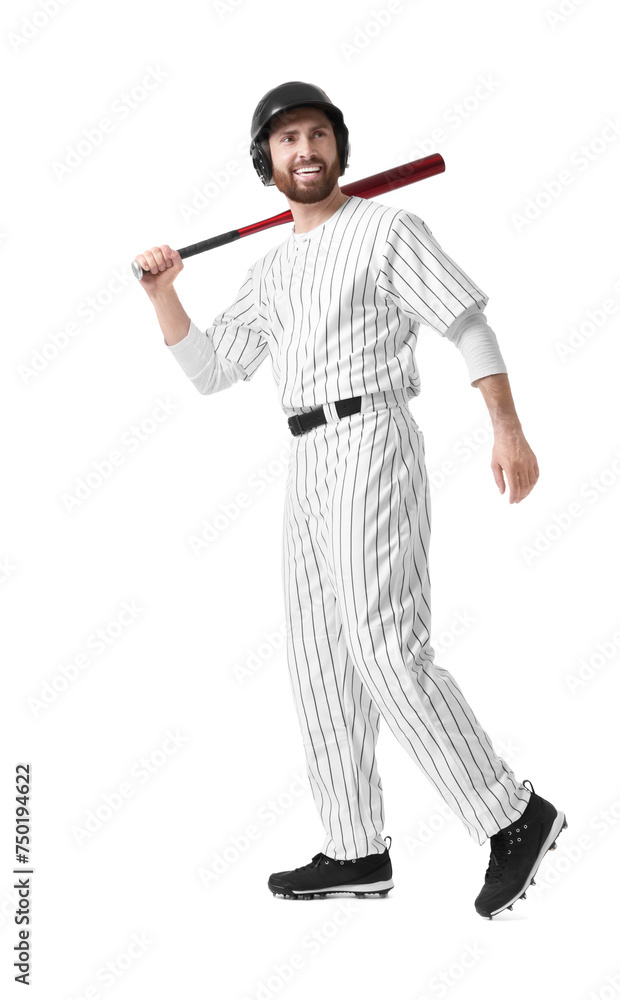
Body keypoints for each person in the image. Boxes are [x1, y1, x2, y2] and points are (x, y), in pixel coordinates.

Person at [134, 81, 567, 919]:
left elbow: (467, 324)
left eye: (317, 135)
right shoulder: (270, 270)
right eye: (287, 139)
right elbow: (214, 372)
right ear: (266, 160)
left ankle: (511, 814)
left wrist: (507, 428)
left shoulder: (387, 229)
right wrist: (164, 296)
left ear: (338, 147)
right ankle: (356, 846)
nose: (305, 151)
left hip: (372, 436)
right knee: (321, 660)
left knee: (383, 647)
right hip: (305, 458)